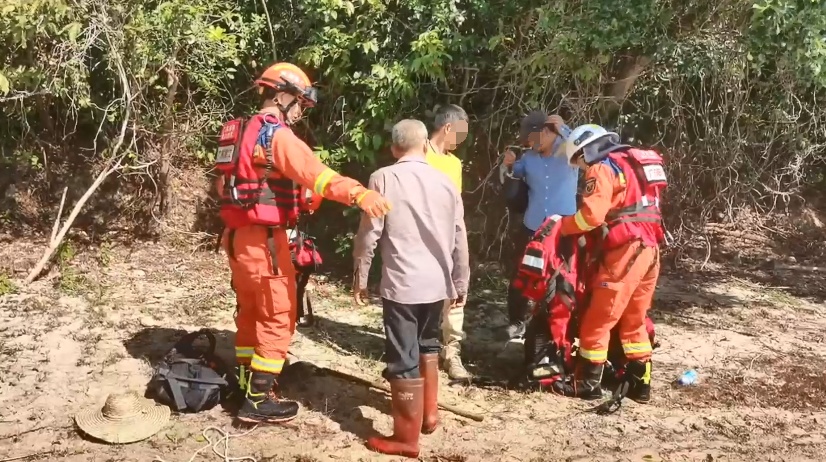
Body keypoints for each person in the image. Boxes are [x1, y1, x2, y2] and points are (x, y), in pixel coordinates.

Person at [214, 62, 391, 424]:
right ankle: (260, 400)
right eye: (298, 103)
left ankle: (247, 383)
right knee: (278, 316)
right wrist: (358, 194)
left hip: (236, 240)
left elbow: (224, 186)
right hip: (266, 243)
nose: (299, 111)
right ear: (281, 95)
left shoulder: (238, 132)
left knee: (251, 312)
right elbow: (318, 175)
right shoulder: (276, 136)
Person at [352, 119, 470, 458]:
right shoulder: (446, 181)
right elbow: (460, 236)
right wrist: (460, 281)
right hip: (438, 283)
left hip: (402, 285)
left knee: (402, 357)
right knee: (428, 345)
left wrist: (361, 274)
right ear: (422, 145)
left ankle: (405, 439)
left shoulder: (383, 178)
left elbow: (369, 233)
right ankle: (429, 416)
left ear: (393, 148)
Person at [551, 123, 667, 403]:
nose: (580, 167)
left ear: (585, 150)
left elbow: (591, 216)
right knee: (634, 319)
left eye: (578, 161)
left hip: (625, 252)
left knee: (598, 318)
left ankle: (586, 384)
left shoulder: (602, 168)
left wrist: (561, 228)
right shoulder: (631, 164)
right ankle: (641, 385)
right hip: (650, 250)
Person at [502, 111, 577, 336]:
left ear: (546, 132)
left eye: (532, 139)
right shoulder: (529, 159)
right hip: (533, 227)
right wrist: (508, 165)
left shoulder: (568, 151)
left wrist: (563, 128)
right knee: (521, 276)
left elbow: (587, 148)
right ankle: (517, 321)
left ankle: (564, 325)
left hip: (564, 228)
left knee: (566, 277)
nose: (529, 144)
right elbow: (512, 176)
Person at [425, 104, 471, 380]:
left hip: (448, 237)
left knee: (456, 294)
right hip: (421, 240)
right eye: (461, 133)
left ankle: (452, 353)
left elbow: (457, 207)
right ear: (448, 127)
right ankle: (423, 351)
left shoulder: (454, 163)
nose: (462, 140)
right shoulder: (418, 154)